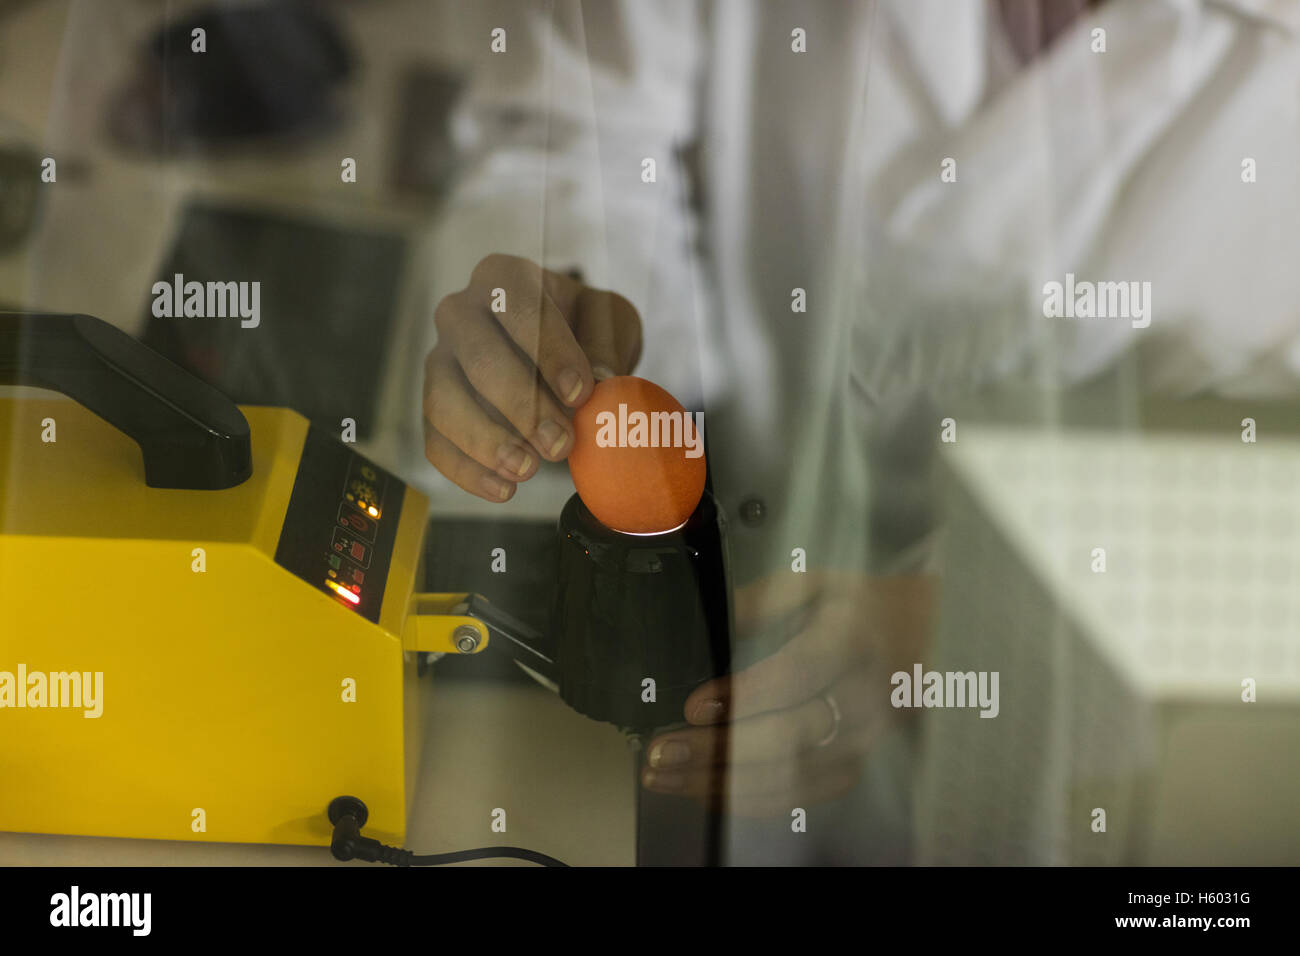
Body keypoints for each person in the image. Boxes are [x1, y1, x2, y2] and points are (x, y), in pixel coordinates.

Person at [416, 0, 1300, 863]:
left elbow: (1270, 518)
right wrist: (563, 304)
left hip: (1105, 720)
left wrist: (944, 629)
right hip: (720, 603)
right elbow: (571, 127)